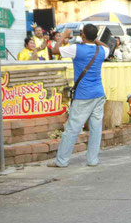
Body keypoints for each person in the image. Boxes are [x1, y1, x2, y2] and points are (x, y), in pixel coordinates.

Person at [47, 24, 109, 168]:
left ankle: (61, 161)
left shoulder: (76, 49)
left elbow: (55, 50)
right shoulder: (101, 50)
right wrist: (95, 40)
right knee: (96, 128)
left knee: (72, 128)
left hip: (83, 95)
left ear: (82, 35)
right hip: (99, 94)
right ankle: (92, 160)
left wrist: (64, 35)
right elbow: (106, 46)